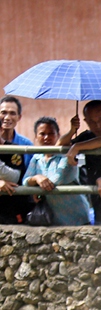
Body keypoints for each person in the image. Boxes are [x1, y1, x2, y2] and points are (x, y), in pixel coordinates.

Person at [22, 117, 91, 225]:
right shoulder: (37, 157)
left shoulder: (67, 155)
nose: (46, 138)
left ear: (58, 135)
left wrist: (36, 186)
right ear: (36, 136)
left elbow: (55, 181)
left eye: (51, 134)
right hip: (53, 218)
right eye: (42, 134)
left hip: (76, 217)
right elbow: (25, 181)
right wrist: (37, 178)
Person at [0, 95, 35, 224]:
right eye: (3, 112)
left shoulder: (25, 145)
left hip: (16, 206)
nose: (7, 117)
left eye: (12, 113)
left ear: (19, 117)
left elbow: (23, 175)